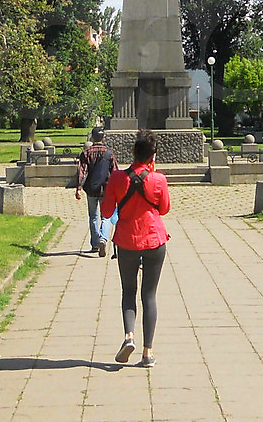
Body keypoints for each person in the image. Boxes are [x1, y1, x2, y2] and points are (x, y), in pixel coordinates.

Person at [101, 129, 171, 368]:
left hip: (127, 241)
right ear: (153, 155)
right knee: (149, 295)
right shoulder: (159, 179)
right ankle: (148, 353)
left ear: (132, 151)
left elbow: (106, 212)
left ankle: (128, 336)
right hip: (154, 240)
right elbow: (164, 209)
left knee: (128, 291)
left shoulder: (117, 178)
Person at [75, 127, 117, 257]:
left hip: (91, 189)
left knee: (93, 217)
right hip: (106, 189)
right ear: (103, 138)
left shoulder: (86, 153)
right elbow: (115, 172)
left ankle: (95, 244)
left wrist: (79, 188)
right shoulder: (109, 153)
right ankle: (103, 239)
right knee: (106, 216)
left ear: (92, 138)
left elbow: (82, 171)